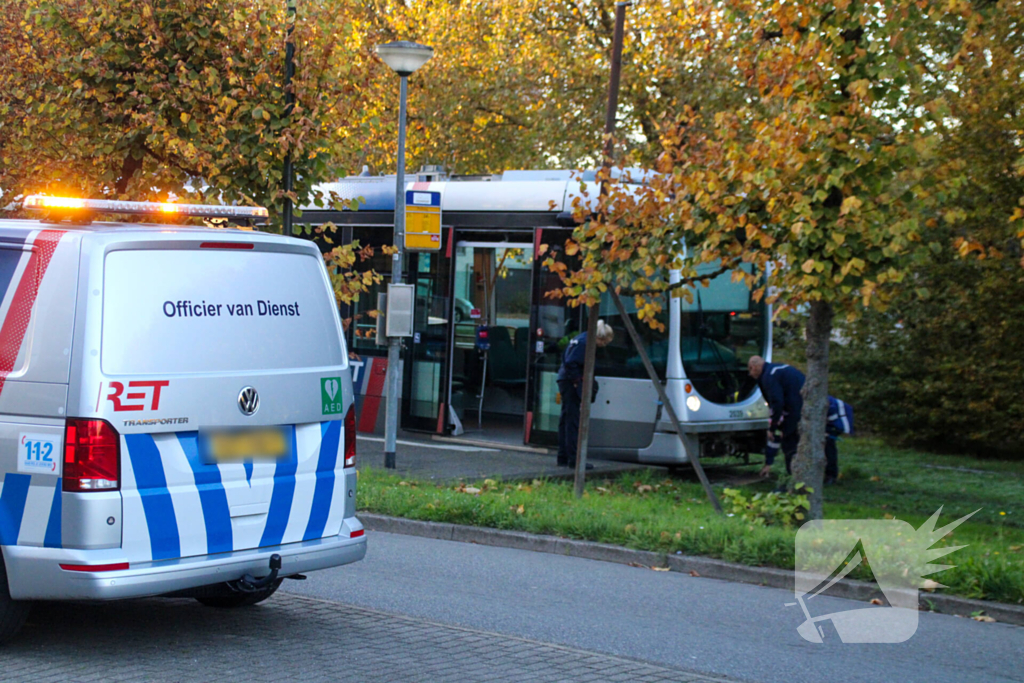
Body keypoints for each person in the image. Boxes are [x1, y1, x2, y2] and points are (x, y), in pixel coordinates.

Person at [748, 355, 843, 484]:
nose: (750, 373)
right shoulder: (778, 369)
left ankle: (794, 478)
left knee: (790, 444)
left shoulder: (768, 377)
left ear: (754, 367)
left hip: (796, 410)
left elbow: (776, 401)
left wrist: (774, 425)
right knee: (822, 441)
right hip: (812, 406)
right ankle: (829, 475)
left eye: (750, 370)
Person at [557, 320, 615, 469]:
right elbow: (571, 363)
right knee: (573, 421)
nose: (604, 346)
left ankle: (563, 456)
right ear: (600, 338)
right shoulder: (585, 344)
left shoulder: (580, 338)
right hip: (571, 382)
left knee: (566, 419)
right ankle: (574, 459)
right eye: (605, 342)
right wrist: (578, 382)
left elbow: (566, 359)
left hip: (564, 379)